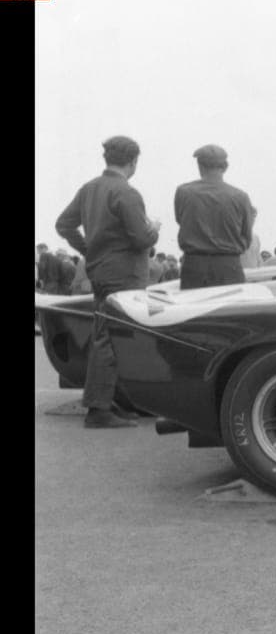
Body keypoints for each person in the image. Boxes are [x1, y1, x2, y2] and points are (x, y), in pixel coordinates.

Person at [55, 135, 161, 428]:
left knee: (105, 335)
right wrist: (154, 230)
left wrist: (88, 249)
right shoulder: (126, 193)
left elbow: (63, 224)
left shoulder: (90, 189)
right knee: (113, 339)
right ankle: (100, 408)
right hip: (125, 274)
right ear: (133, 161)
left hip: (101, 270)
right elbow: (141, 239)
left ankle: (109, 402)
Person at [175, 144, 256, 290]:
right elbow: (246, 236)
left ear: (199, 166)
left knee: (194, 311)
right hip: (229, 266)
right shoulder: (240, 197)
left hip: (194, 266)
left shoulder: (184, 192)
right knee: (230, 311)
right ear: (225, 167)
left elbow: (181, 220)